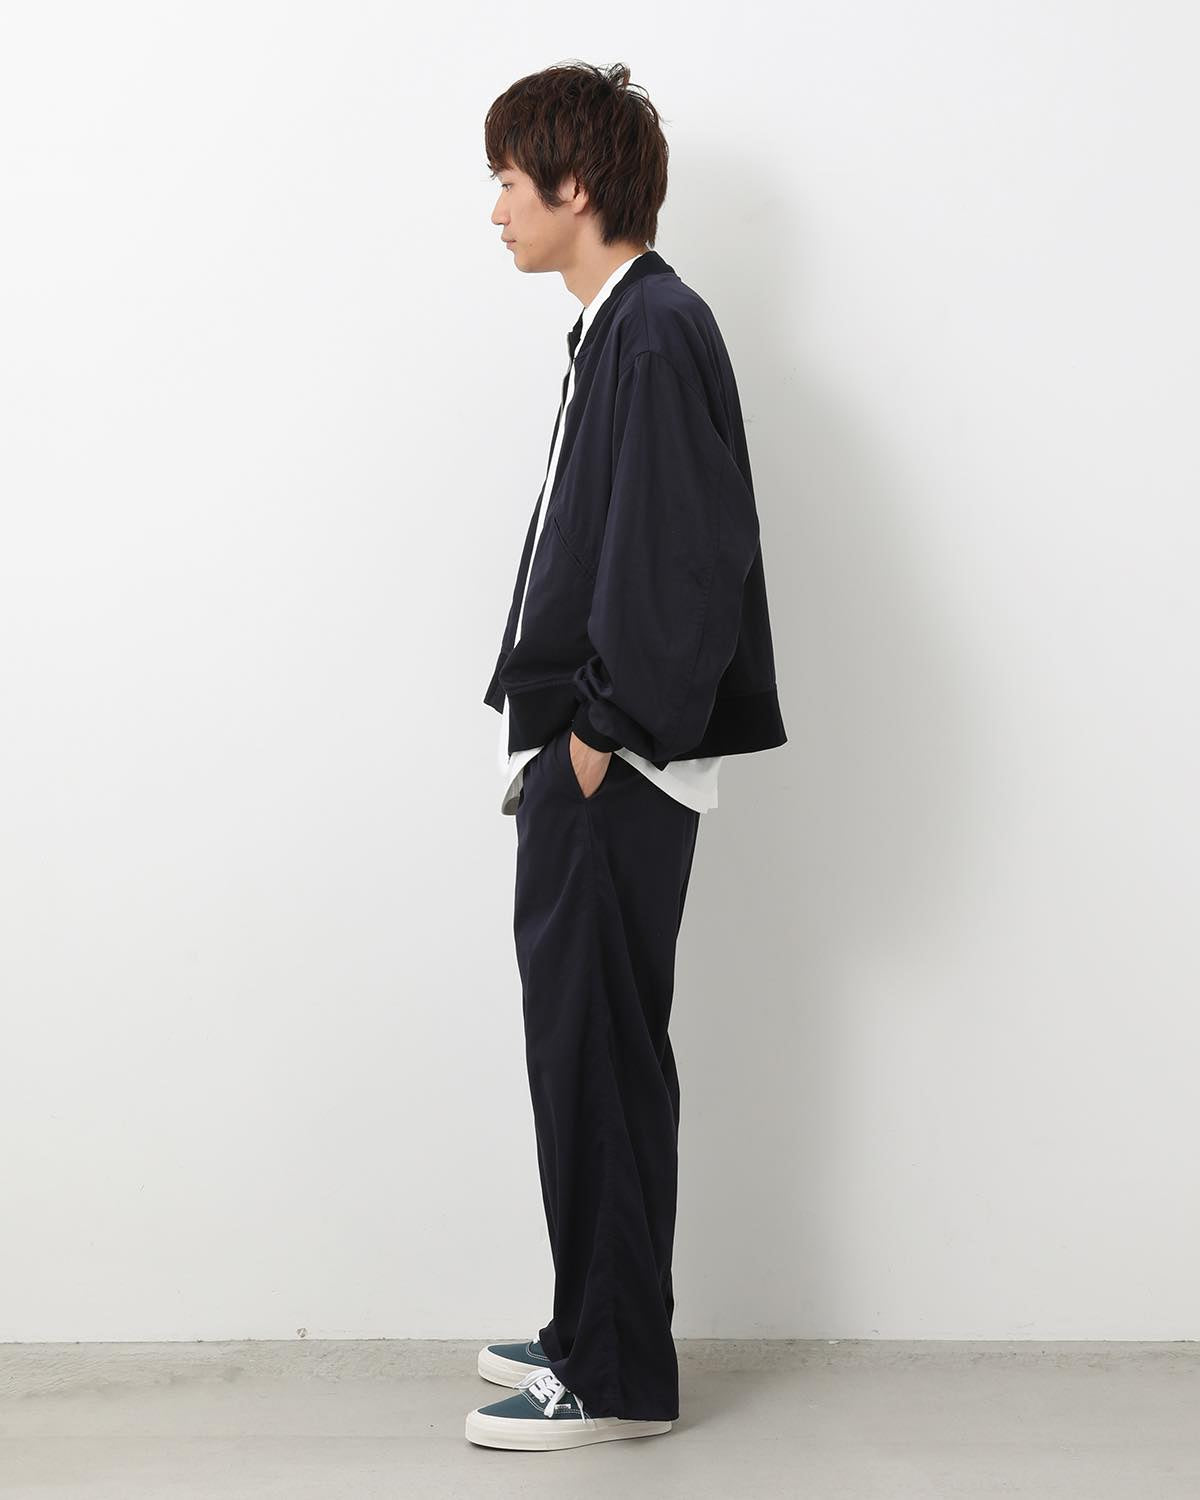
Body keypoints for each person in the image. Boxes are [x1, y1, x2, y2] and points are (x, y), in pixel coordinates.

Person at [467, 60, 786, 1452]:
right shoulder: (624, 327)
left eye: (508, 181)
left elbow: (686, 553)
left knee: (595, 1057)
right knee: (589, 1053)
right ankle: (597, 1332)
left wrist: (598, 733)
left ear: (575, 184)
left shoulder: (653, 330)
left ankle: (610, 1375)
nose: (495, 209)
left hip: (614, 767)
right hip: (596, 760)